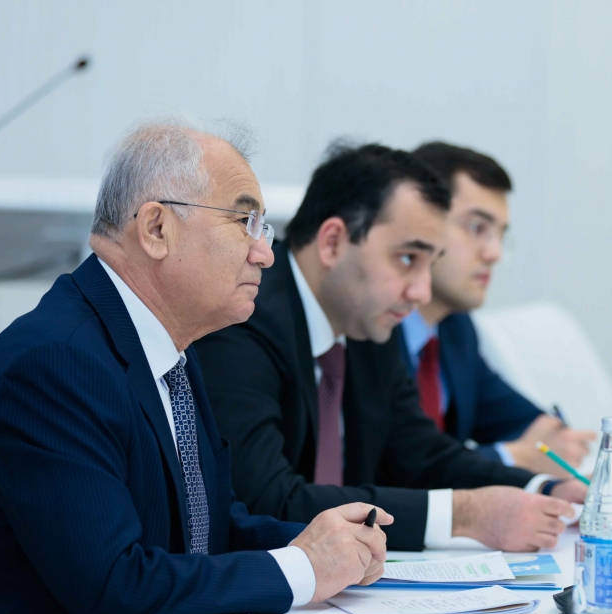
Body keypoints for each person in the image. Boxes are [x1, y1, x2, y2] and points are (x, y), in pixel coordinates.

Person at [0, 119, 392, 614]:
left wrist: (326, 544)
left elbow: (204, 530)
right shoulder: (57, 364)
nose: (265, 252)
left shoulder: (167, 350)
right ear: (157, 229)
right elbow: (114, 585)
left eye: (264, 228)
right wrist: (303, 568)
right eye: (244, 221)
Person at [194, 143, 587, 554]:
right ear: (333, 242)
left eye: (431, 263)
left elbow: (421, 455)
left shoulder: (365, 320)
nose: (421, 292)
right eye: (408, 258)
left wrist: (544, 489)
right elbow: (266, 500)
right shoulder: (245, 317)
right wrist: (463, 515)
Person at [398, 141, 596, 476]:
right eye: (477, 227)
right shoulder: (372, 328)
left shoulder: (455, 328)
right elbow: (401, 467)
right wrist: (515, 457)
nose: (494, 253)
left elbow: (518, 421)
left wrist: (551, 436)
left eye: (500, 235)